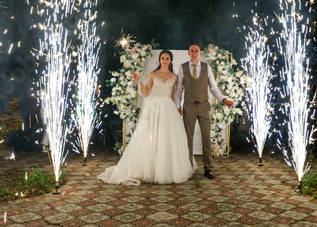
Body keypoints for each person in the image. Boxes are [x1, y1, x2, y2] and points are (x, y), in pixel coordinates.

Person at [98, 50, 196, 185]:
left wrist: (178, 107)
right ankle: (148, 170)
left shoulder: (175, 77)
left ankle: (165, 170)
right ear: (160, 60)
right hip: (154, 108)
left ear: (171, 61)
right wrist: (138, 81)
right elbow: (146, 92)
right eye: (163, 58)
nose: (165, 60)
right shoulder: (153, 74)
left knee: (167, 139)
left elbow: (174, 96)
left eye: (167, 58)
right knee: (149, 138)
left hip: (168, 109)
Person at [175, 44, 234, 179]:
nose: (194, 52)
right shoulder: (182, 67)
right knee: (187, 139)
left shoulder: (207, 68)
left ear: (200, 53)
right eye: (192, 50)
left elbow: (213, 88)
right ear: (188, 53)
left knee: (206, 138)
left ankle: (208, 168)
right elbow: (179, 89)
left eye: (196, 50)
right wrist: (178, 106)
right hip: (188, 107)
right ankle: (188, 167)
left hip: (203, 106)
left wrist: (223, 100)